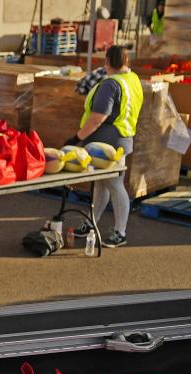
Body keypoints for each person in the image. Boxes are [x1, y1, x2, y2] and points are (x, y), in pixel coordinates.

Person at [66, 45, 143, 248]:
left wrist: (76, 137)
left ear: (108, 62)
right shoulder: (132, 79)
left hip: (107, 146)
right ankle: (92, 223)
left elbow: (98, 118)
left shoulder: (111, 84)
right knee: (102, 184)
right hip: (122, 139)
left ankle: (120, 232)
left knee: (114, 185)